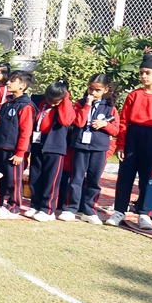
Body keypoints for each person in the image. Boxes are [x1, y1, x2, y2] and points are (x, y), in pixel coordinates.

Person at [108, 54, 152, 229]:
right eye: (141, 73)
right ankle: (119, 210)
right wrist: (121, 145)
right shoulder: (134, 95)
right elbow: (123, 121)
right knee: (125, 175)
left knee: (148, 177)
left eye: (147, 73)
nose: (144, 76)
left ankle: (144, 214)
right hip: (133, 135)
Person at [60, 73, 119, 224]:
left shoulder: (110, 107)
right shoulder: (80, 104)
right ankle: (71, 208)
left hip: (99, 148)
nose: (93, 92)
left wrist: (105, 125)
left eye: (97, 90)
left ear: (105, 90)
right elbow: (79, 123)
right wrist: (87, 104)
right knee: (76, 178)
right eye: (90, 89)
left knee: (94, 180)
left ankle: (89, 210)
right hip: (80, 145)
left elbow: (116, 130)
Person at [24, 79, 74, 222]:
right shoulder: (41, 102)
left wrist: (65, 98)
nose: (52, 103)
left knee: (51, 179)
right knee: (35, 175)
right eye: (49, 99)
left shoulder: (65, 105)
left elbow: (66, 120)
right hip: (38, 141)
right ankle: (35, 204)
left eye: (55, 101)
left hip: (55, 145)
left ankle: (48, 209)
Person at [0, 71, 34, 219]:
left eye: (12, 81)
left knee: (14, 180)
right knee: (0, 178)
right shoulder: (7, 103)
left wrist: (20, 153)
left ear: (22, 86)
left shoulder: (26, 106)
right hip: (1, 147)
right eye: (8, 80)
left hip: (14, 151)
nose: (8, 83)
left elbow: (25, 131)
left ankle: (14, 206)